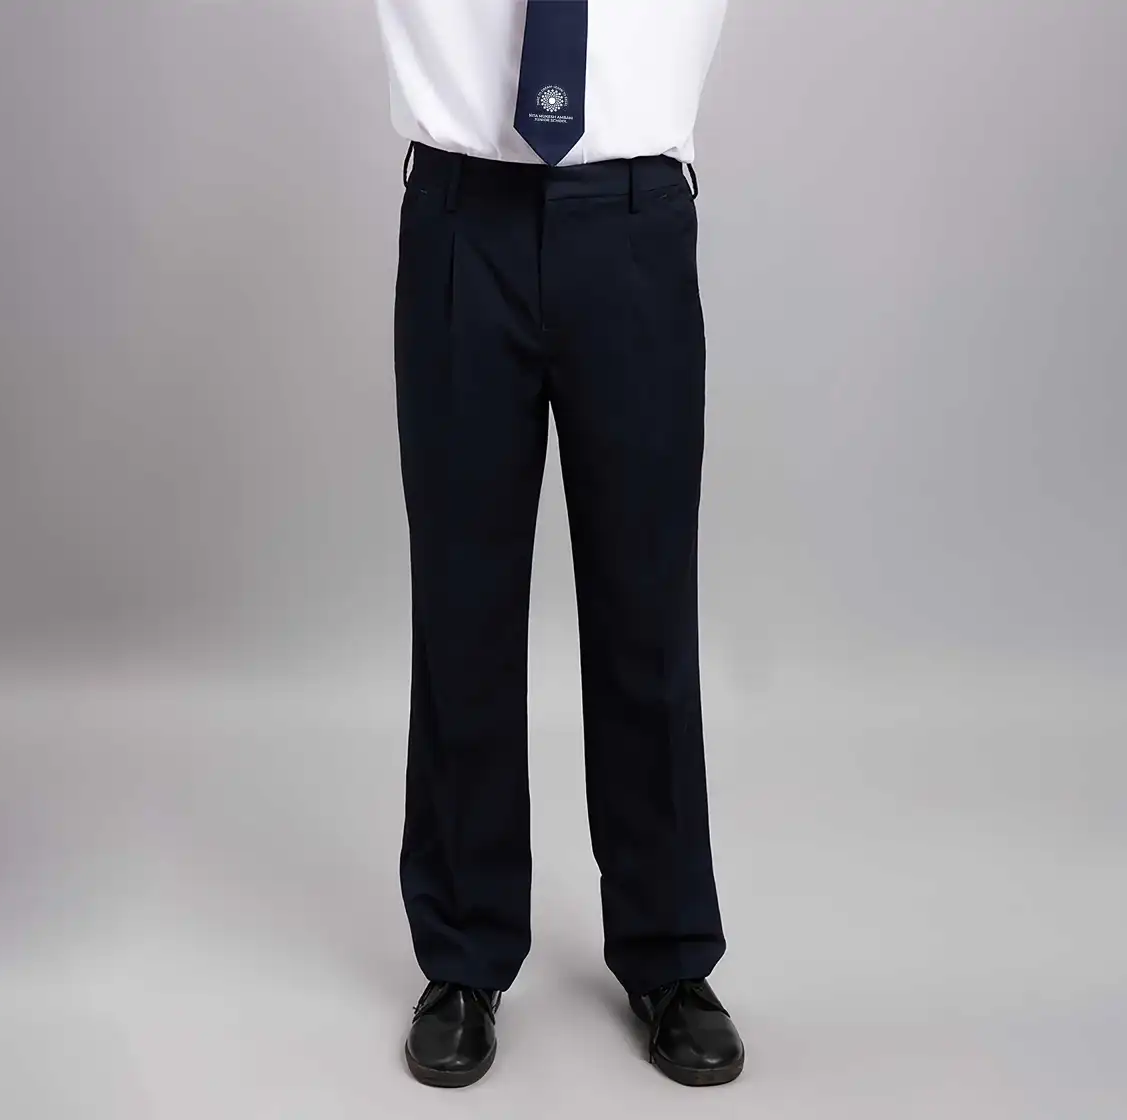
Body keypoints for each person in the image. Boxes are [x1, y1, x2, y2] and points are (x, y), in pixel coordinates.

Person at [374, 0, 743, 1088]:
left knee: (646, 607)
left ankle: (669, 952)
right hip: (462, 218)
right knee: (462, 611)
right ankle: (462, 956)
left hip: (633, 220)